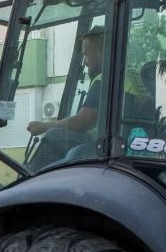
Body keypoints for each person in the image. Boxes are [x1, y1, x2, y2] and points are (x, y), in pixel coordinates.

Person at [26, 29, 106, 166]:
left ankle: (29, 179)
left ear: (100, 52)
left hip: (107, 146)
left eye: (86, 54)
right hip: (120, 142)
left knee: (54, 135)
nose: (85, 62)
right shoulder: (126, 76)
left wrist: (44, 126)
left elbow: (81, 122)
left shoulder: (103, 81)